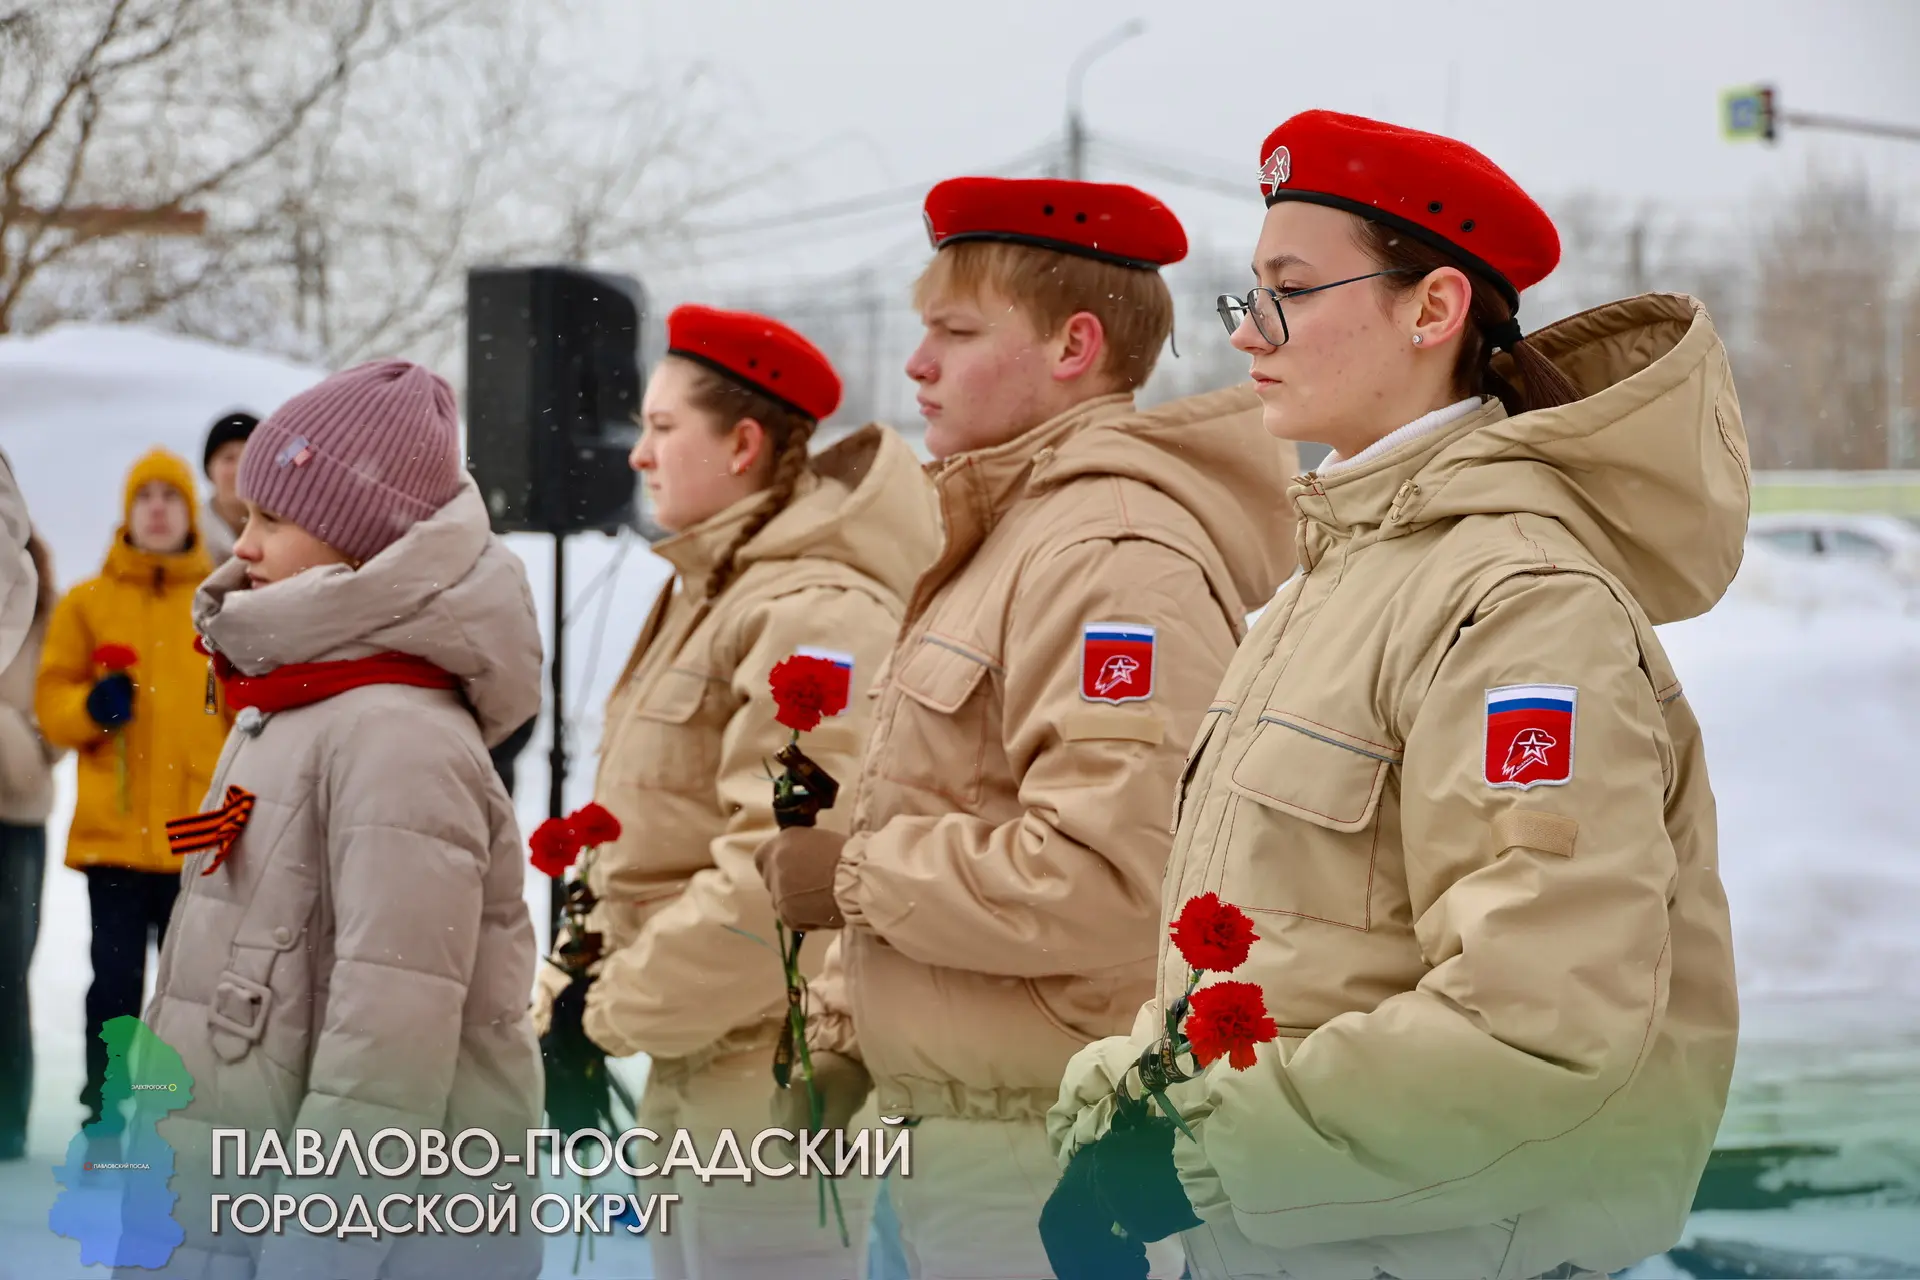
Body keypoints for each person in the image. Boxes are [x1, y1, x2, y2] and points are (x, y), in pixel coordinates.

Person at [1048, 111, 1744, 1280]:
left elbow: (1541, 1024)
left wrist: (1196, 1152)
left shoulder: (1521, 606)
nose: (1247, 332)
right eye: (1251, 294)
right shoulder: (1344, 577)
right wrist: (1131, 1105)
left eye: (1291, 291)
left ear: (1434, 309)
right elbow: (1300, 952)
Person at [754, 177, 1298, 1278]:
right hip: (953, 1137)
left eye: (955, 333)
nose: (918, 364)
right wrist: (848, 1031)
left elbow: (1114, 879)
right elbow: (948, 801)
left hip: (1040, 1159)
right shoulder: (1013, 535)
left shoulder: (1110, 557)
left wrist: (850, 878)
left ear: (1073, 345)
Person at [530, 304, 942, 1280]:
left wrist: (605, 1012)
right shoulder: (716, 592)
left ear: (744, 444)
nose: (639, 454)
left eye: (663, 427)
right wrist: (564, 998)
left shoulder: (813, 611)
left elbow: (782, 884)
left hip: (774, 1076)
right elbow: (649, 838)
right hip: (697, 1051)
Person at [135, 360, 544, 1278]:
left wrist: (315, 1250)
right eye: (244, 515)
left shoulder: (396, 736)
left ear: (366, 542)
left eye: (272, 520)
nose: (244, 544)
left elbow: (385, 1061)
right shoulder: (303, 699)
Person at [35, 449, 230, 1135]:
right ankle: (106, 1112)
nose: (157, 508)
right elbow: (51, 702)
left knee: (192, 993)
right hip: (113, 837)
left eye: (169, 496)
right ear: (127, 511)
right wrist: (90, 706)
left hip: (197, 839)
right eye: (144, 496)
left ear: (188, 511)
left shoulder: (220, 606)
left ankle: (176, 1116)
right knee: (114, 989)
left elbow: (243, 712)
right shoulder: (88, 603)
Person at [0, 531, 59, 1160]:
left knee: (7, 969)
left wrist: (16, 735)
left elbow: (58, 719)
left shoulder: (46, 611)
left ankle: (7, 1115)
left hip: (17, 814)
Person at [199, 411, 258, 564]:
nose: (239, 469)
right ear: (209, 469)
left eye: (250, 458)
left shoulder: (288, 535)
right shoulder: (188, 537)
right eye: (228, 458)